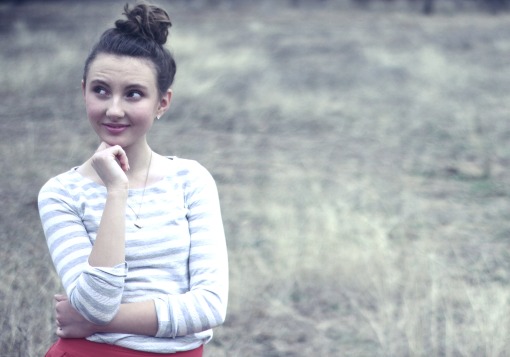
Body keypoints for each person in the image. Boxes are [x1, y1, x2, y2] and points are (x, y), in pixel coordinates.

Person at [37, 2, 228, 356]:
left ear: (162, 102)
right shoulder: (61, 194)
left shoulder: (191, 180)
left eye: (134, 94)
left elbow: (210, 307)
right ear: (83, 91)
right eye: (100, 90)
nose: (113, 109)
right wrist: (116, 191)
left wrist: (97, 323)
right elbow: (95, 302)